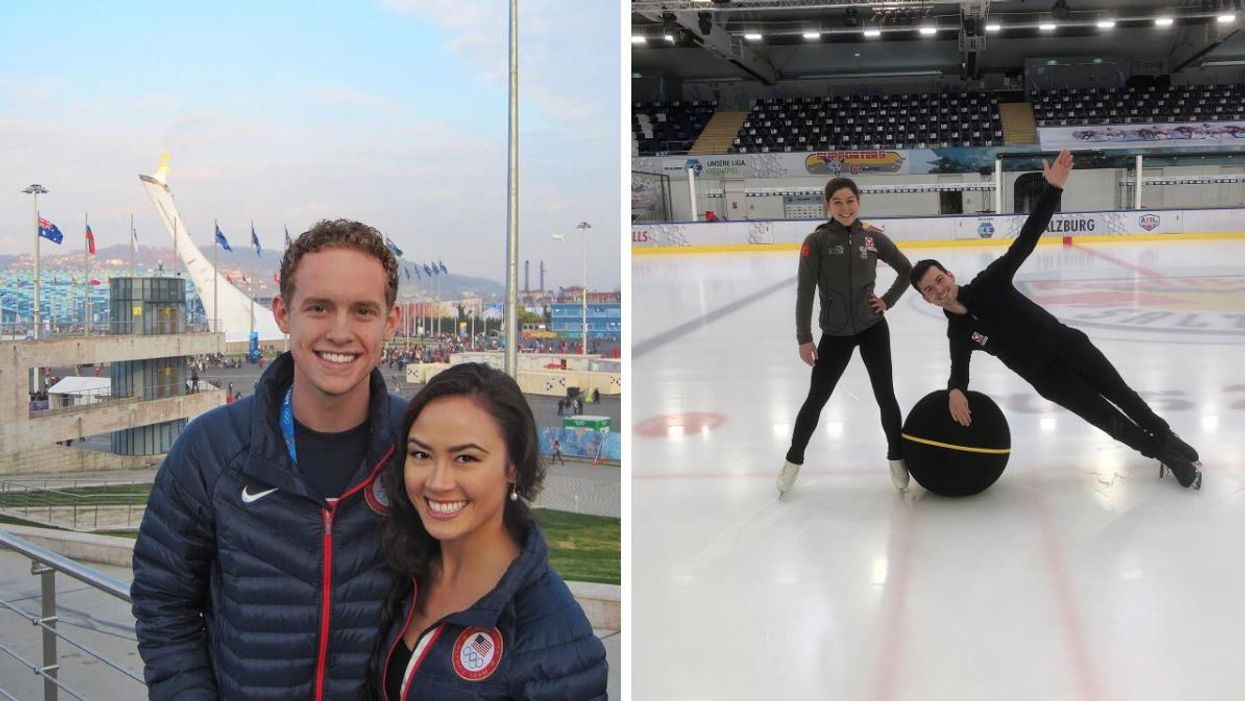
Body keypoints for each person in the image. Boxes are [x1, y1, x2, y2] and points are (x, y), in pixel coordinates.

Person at [132, 219, 407, 699]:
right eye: (319, 308)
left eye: (363, 311)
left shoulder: (419, 448)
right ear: (282, 313)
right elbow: (163, 602)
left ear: (391, 321)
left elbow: (493, 574)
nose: (340, 332)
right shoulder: (210, 449)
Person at [909, 149, 1202, 489]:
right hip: (1048, 378)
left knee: (1125, 397)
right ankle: (1163, 454)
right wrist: (955, 391)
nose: (939, 290)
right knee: (1107, 420)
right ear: (926, 299)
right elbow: (958, 370)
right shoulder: (959, 333)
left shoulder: (990, 282)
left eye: (939, 280)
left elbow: (1026, 239)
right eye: (930, 290)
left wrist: (1053, 189)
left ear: (949, 274)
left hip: (1069, 347)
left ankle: (1166, 435)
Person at [368, 363, 607, 699]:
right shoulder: (401, 570)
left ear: (513, 467)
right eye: (421, 454)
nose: (437, 482)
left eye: (466, 458)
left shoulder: (552, 633)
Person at [777, 176, 914, 495]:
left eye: (850, 201)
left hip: (872, 328)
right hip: (835, 333)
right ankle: (793, 460)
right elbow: (805, 290)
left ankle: (897, 458)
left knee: (886, 396)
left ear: (859, 202)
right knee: (816, 399)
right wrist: (804, 337)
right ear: (827, 206)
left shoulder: (873, 238)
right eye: (837, 202)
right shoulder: (817, 241)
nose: (845, 208)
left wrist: (887, 301)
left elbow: (907, 270)